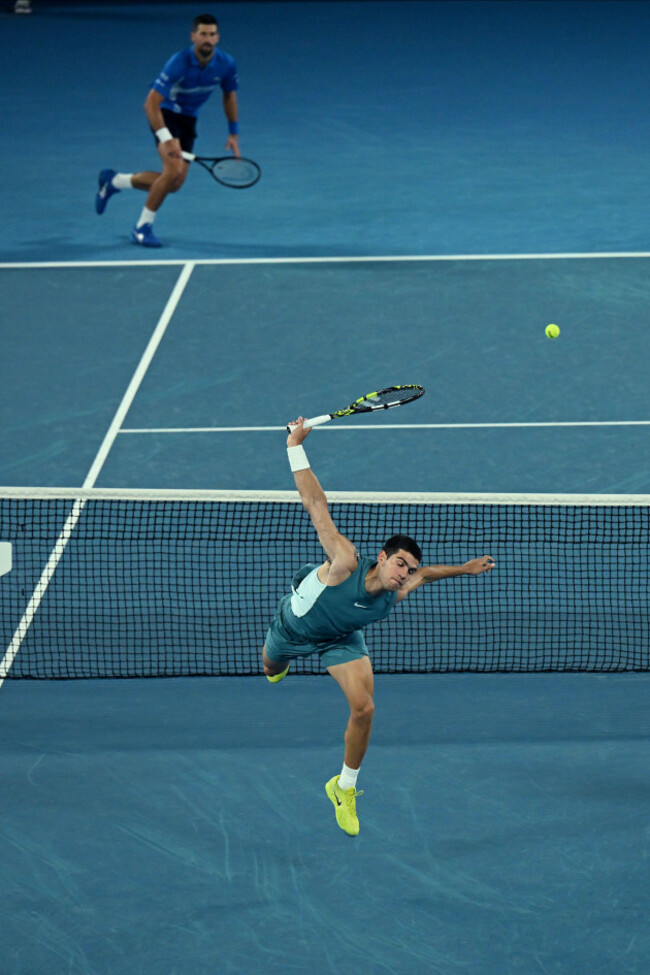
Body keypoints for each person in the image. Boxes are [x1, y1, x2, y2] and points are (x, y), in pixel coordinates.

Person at [263, 419, 496, 837]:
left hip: (341, 638)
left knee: (365, 708)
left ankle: (344, 786)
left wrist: (464, 568)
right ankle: (278, 660)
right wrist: (294, 446)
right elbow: (316, 506)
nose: (405, 574)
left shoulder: (398, 589)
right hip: (294, 628)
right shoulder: (347, 562)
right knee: (271, 669)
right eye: (400, 564)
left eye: (408, 570)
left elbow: (428, 574)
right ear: (382, 556)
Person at [95, 13, 240, 247]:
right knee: (172, 170)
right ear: (193, 36)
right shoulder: (178, 62)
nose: (207, 39)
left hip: (189, 121)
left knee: (174, 184)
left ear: (218, 38)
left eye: (212, 35)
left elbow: (229, 95)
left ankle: (114, 181)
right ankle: (142, 227)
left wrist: (233, 132)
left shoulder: (226, 64)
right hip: (166, 115)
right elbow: (150, 103)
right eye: (203, 34)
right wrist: (165, 137)